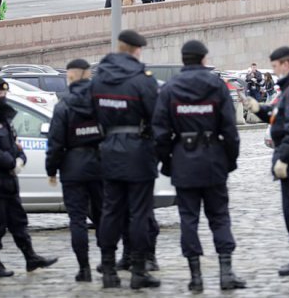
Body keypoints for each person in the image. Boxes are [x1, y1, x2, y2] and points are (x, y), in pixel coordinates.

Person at [153, 40, 246, 292]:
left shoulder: (170, 88)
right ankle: (226, 273)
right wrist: (230, 160)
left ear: (184, 59)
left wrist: (169, 162)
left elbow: (160, 132)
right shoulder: (215, 85)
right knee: (219, 217)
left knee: (188, 219)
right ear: (204, 59)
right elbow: (230, 129)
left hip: (183, 159)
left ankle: (195, 277)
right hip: (214, 158)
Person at [92, 30, 160, 289]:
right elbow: (157, 118)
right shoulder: (142, 80)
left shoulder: (99, 80)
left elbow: (92, 113)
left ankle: (108, 270)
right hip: (139, 152)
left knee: (110, 211)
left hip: (109, 150)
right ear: (136, 50)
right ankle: (138, 270)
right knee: (139, 214)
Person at [0, 77, 58, 278]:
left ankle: (31, 258)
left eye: (4, 94)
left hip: (9, 180)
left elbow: (15, 146)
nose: (2, 97)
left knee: (18, 221)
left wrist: (20, 159)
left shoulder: (2, 118)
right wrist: (12, 163)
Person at [244, 47, 289, 276]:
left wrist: (283, 158)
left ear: (285, 64)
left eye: (275, 67)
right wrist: (259, 109)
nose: (274, 71)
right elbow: (277, 115)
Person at [46, 59, 103, 282]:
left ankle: (84, 268)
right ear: (88, 75)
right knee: (103, 217)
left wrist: (51, 169)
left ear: (70, 76)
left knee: (77, 220)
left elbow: (55, 143)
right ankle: (107, 263)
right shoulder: (99, 102)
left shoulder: (63, 106)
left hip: (72, 168)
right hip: (99, 165)